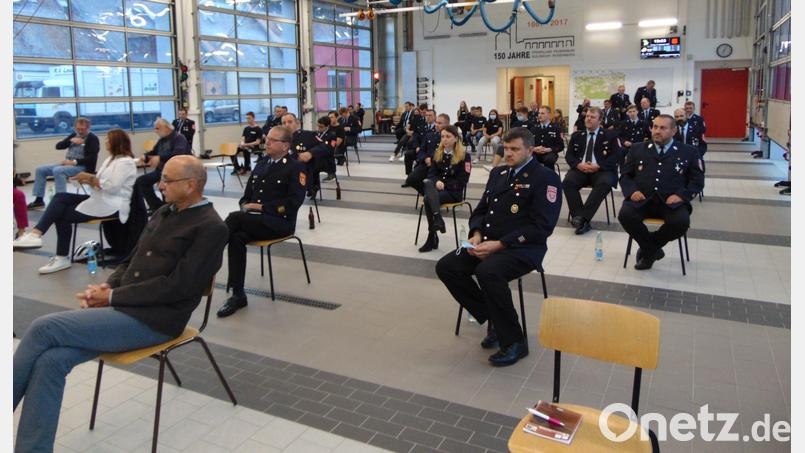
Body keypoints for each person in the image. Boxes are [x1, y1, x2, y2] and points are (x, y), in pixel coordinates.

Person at [13, 156, 227, 453]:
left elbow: (178, 287)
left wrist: (112, 297)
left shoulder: (210, 227)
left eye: (167, 180)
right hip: (127, 308)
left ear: (191, 185)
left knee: (43, 328)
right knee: (51, 361)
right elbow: (131, 259)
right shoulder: (166, 211)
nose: (160, 185)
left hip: (157, 320)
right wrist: (109, 286)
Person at [435, 127, 562, 367]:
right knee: (447, 266)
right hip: (487, 241)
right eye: (506, 148)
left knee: (488, 272)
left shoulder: (545, 178)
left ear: (530, 150)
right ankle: (494, 318)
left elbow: (542, 227)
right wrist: (476, 233)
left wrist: (500, 244)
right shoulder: (499, 173)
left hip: (522, 248)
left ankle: (514, 341)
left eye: (515, 149)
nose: (508, 153)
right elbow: (482, 209)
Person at [13, 128, 138, 274]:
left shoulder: (126, 162)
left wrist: (89, 177)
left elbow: (112, 187)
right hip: (100, 198)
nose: (105, 142)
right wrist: (84, 179)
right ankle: (36, 235)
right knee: (60, 197)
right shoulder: (110, 160)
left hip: (112, 204)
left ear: (116, 142)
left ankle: (61, 256)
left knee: (61, 214)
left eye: (108, 139)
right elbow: (101, 183)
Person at [217, 126, 306, 317]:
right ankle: (238, 294)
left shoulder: (295, 167)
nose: (267, 143)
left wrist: (263, 208)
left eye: (273, 140)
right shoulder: (262, 163)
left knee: (234, 218)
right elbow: (247, 196)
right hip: (254, 222)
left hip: (279, 222)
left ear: (285, 146)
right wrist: (245, 205)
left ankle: (208, 255)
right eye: (268, 139)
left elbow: (294, 202)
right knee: (237, 237)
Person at [618, 115, 704, 270]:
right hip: (643, 199)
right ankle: (652, 251)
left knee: (681, 222)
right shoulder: (637, 148)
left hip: (670, 202)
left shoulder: (688, 151)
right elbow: (625, 175)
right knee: (625, 215)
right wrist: (632, 192)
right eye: (655, 127)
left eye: (663, 128)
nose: (657, 131)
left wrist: (681, 195)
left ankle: (648, 249)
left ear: (673, 131)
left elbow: (697, 181)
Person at [562, 107, 621, 235]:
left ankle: (581, 219)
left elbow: (616, 156)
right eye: (587, 116)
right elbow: (569, 155)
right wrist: (578, 165)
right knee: (567, 182)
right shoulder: (577, 135)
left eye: (592, 117)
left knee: (605, 183)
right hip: (581, 169)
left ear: (600, 120)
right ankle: (581, 218)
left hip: (601, 170)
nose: (588, 118)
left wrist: (598, 166)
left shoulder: (610, 135)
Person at [418, 125, 472, 253]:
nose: (444, 139)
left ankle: (432, 237)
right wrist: (437, 182)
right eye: (442, 136)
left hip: (454, 192)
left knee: (428, 199)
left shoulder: (465, 156)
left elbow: (463, 180)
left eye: (448, 136)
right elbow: (431, 174)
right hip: (437, 190)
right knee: (429, 190)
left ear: (456, 138)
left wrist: (445, 185)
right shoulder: (438, 153)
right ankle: (437, 223)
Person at [27, 117, 100, 209]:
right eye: (78, 129)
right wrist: (70, 140)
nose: (80, 131)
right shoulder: (74, 135)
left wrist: (74, 162)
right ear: (75, 127)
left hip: (82, 167)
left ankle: (60, 201)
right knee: (41, 170)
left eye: (83, 129)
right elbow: (58, 146)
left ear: (88, 128)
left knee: (58, 171)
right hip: (67, 164)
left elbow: (92, 158)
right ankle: (39, 200)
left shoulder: (92, 138)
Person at [136, 118, 191, 212]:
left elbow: (177, 154)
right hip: (161, 170)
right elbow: (154, 152)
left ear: (166, 127)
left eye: (157, 128)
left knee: (165, 187)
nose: (155, 131)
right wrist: (145, 157)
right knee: (141, 181)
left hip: (176, 172)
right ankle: (157, 207)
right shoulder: (162, 140)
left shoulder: (179, 138)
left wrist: (160, 157)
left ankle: (167, 208)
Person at [282, 113, 331, 198]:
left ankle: (313, 188)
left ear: (297, 123)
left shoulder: (308, 135)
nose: (286, 125)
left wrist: (310, 153)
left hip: (304, 172)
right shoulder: (279, 139)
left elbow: (325, 147)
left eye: (290, 122)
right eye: (284, 123)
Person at [402, 110, 442, 192]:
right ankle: (409, 175)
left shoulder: (438, 129)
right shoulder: (421, 125)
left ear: (435, 117)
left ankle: (429, 193)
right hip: (420, 149)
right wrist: (416, 146)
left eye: (430, 115)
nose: (427, 117)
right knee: (408, 154)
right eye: (426, 115)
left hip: (429, 153)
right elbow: (415, 136)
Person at [530, 105, 565, 170]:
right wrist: (534, 148)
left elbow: (561, 146)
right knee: (528, 159)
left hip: (550, 153)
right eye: (539, 113)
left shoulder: (556, 128)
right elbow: (528, 144)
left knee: (549, 160)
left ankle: (548, 178)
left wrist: (549, 149)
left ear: (549, 115)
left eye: (542, 113)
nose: (539, 115)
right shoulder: (534, 128)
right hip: (536, 153)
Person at [317, 116, 339, 182]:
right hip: (319, 151)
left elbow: (331, 148)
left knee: (329, 156)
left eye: (321, 127)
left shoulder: (332, 134)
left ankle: (331, 174)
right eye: (318, 126)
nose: (319, 128)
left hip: (327, 153)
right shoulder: (318, 132)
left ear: (327, 126)